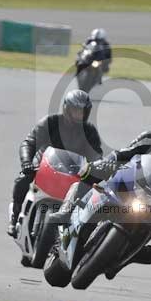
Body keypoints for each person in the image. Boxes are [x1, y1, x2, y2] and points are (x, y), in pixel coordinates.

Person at [51, 103, 151, 280]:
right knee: (88, 176)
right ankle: (65, 214)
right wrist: (101, 166)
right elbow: (118, 156)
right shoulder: (148, 139)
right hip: (125, 190)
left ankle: (129, 257)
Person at [8, 89, 103, 237]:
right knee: (22, 179)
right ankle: (14, 218)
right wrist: (27, 162)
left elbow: (96, 157)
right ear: (66, 108)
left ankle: (79, 237)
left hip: (73, 176)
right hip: (43, 169)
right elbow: (29, 142)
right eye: (75, 110)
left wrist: (97, 173)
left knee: (93, 199)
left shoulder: (89, 131)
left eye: (82, 111)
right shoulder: (50, 122)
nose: (79, 114)